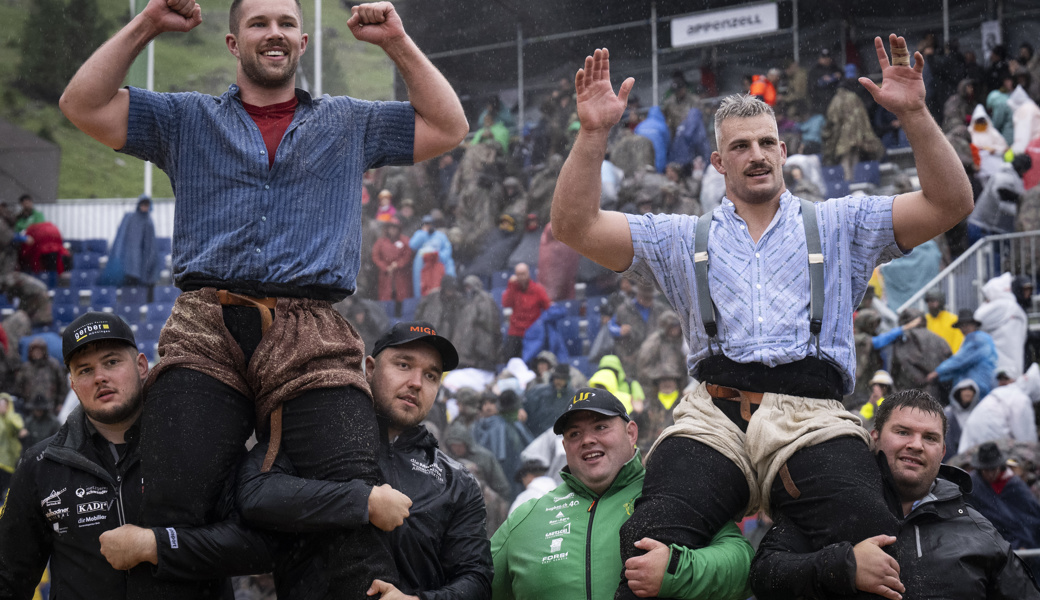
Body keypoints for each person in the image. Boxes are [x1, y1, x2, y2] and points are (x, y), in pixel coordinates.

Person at [58, 0, 467, 597]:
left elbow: (449, 127)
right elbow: (82, 105)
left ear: (302, 42)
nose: (272, 33)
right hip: (205, 322)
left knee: (353, 490)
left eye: (284, 24)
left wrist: (398, 42)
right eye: (258, 23)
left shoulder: (349, 121)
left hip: (314, 326)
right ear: (233, 43)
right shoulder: (184, 118)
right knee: (173, 499)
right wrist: (147, 22)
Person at [549, 37, 973, 600]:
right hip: (712, 417)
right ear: (719, 162)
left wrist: (916, 115)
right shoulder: (680, 236)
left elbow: (950, 203)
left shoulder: (841, 223)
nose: (757, 154)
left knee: (882, 550)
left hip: (812, 418)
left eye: (767, 142)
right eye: (741, 146)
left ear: (783, 148)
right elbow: (573, 225)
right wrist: (593, 134)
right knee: (647, 547)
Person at [0, 312, 270, 600]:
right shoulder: (41, 465)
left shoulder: (201, 444)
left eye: (112, 362)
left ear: (142, 366)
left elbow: (258, 546)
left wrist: (157, 545)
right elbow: (9, 579)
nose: (100, 377)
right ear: (73, 385)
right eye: (84, 370)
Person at [230, 321, 493, 600]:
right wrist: (362, 501)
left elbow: (477, 580)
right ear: (370, 368)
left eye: (431, 375)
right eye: (404, 365)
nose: (416, 383)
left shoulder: (457, 481)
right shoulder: (316, 435)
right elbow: (255, 494)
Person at [749, 390, 1040, 600]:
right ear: (874, 438)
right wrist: (842, 566)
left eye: (930, 438)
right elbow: (763, 576)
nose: (916, 445)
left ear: (943, 452)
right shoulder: (826, 500)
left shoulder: (979, 532)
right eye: (903, 432)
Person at [490, 387, 753, 600]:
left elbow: (745, 566)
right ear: (565, 447)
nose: (587, 439)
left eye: (600, 427)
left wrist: (674, 570)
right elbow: (476, 582)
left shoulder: (672, 492)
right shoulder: (527, 518)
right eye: (574, 433)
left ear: (631, 433)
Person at [967, 442, 1040, 561]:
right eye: (986, 470)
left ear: (999, 466)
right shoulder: (974, 486)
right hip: (990, 546)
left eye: (993, 469)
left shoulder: (1014, 485)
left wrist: (1024, 543)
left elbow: (1032, 518)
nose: (990, 474)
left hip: (1023, 546)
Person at [928, 309, 999, 398]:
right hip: (982, 385)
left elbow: (960, 360)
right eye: (961, 326)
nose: (964, 328)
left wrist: (938, 372)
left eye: (967, 325)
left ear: (973, 325)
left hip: (978, 386)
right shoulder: (982, 338)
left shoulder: (975, 338)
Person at [103, 195, 162, 289]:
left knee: (144, 288)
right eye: (143, 204)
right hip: (129, 262)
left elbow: (150, 245)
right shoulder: (130, 218)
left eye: (147, 205)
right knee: (130, 286)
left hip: (143, 262)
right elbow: (123, 239)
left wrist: (148, 262)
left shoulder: (149, 222)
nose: (145, 207)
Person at [501, 263, 550, 360]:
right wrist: (511, 286)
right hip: (515, 331)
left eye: (523, 274)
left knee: (529, 361)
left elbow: (547, 307)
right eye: (518, 274)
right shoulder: (513, 288)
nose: (521, 277)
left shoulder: (537, 289)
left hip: (531, 332)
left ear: (528, 273)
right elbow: (506, 303)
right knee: (509, 360)